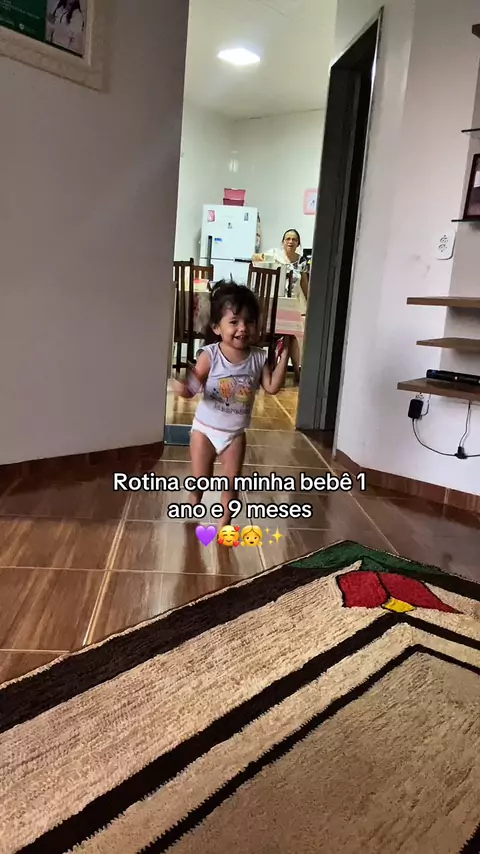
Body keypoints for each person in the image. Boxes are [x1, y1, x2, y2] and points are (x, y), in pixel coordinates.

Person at [173, 281, 291, 527]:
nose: (243, 328)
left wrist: (284, 356)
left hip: (235, 434)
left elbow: (271, 387)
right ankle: (195, 497)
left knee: (231, 482)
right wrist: (183, 388)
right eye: (234, 321)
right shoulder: (210, 355)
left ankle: (225, 523)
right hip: (205, 430)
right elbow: (192, 388)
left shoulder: (258, 357)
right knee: (201, 477)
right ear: (217, 327)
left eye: (249, 321)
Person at [252, 229, 308, 382]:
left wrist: (310, 302)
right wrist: (260, 257)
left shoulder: (302, 261)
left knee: (294, 334)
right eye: (288, 239)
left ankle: (296, 371)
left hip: (292, 303)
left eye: (294, 239)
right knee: (283, 332)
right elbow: (254, 257)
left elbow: (304, 283)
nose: (290, 242)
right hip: (273, 302)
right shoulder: (275, 254)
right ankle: (275, 369)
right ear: (283, 241)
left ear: (298, 243)